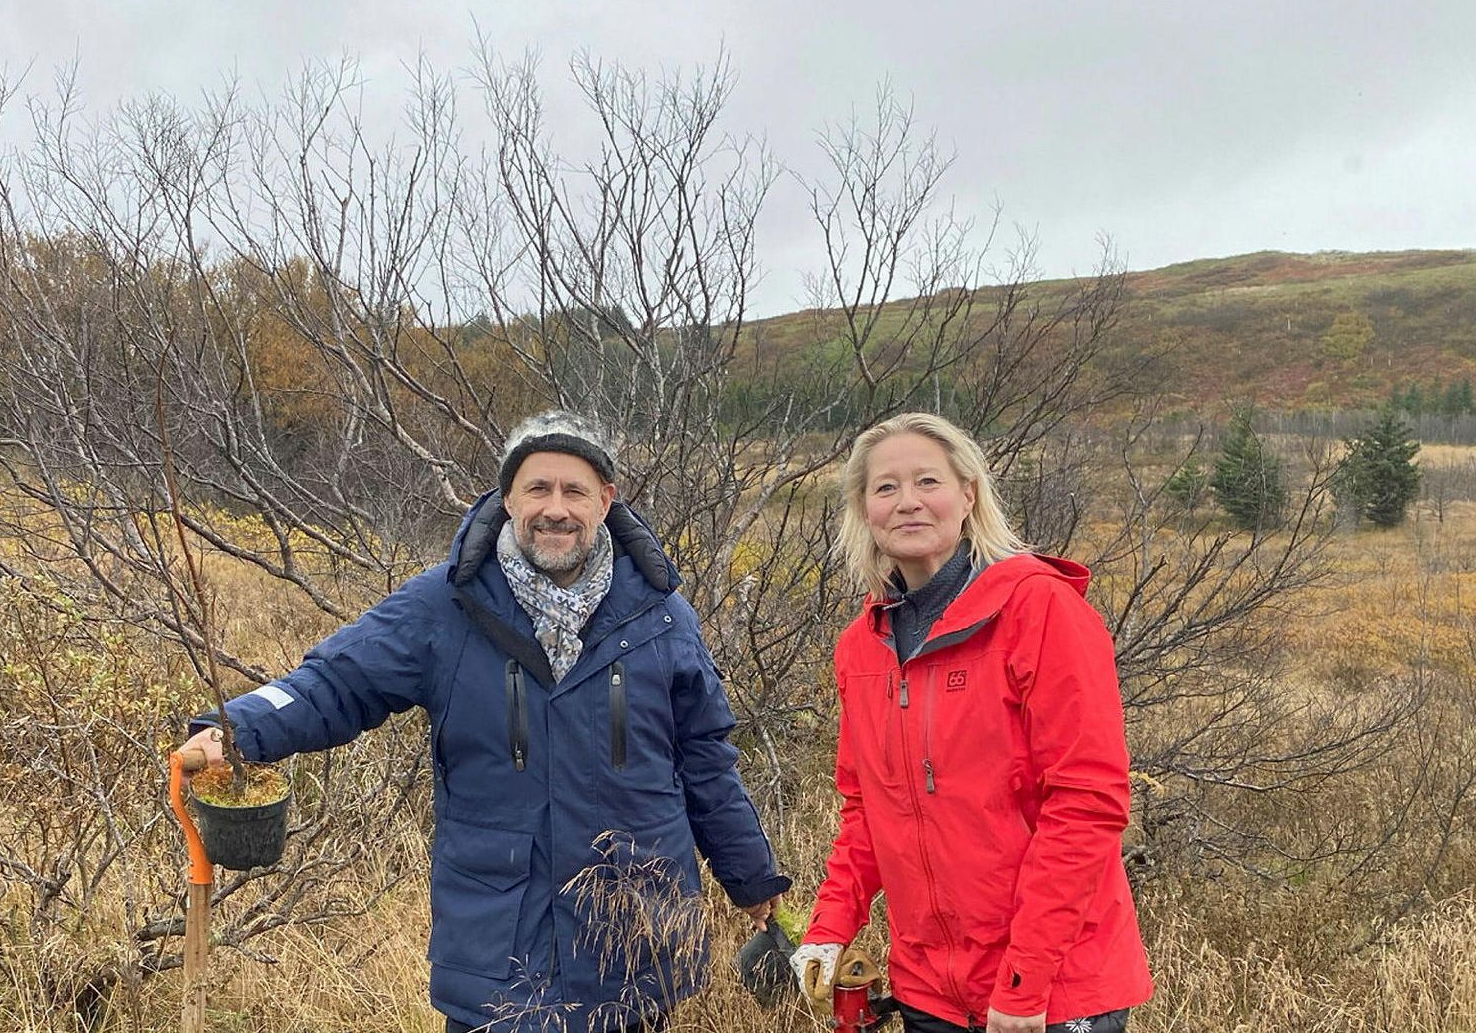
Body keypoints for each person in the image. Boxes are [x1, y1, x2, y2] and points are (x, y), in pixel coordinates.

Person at [179, 410, 789, 1033]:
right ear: (507, 499)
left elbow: (706, 759)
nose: (556, 508)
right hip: (499, 941)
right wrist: (237, 731)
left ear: (605, 501)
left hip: (629, 936)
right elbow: (335, 682)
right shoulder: (444, 606)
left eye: (575, 490)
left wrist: (749, 874)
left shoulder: (661, 617)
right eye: (538, 489)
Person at [789, 413, 1153, 1033]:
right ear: (864, 511)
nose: (907, 502)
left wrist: (1024, 981)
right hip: (928, 989)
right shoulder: (862, 646)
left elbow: (1086, 804)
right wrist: (829, 928)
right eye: (885, 488)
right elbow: (866, 808)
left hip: (1052, 989)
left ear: (968, 495)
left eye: (928, 481)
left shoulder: (1040, 610)